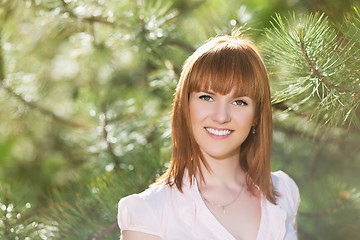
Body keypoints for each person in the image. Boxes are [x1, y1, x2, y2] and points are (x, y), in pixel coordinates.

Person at [117, 33, 300, 240]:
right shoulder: (150, 213)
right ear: (185, 106)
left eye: (239, 101)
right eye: (207, 97)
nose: (221, 117)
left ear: (256, 115)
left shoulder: (284, 193)